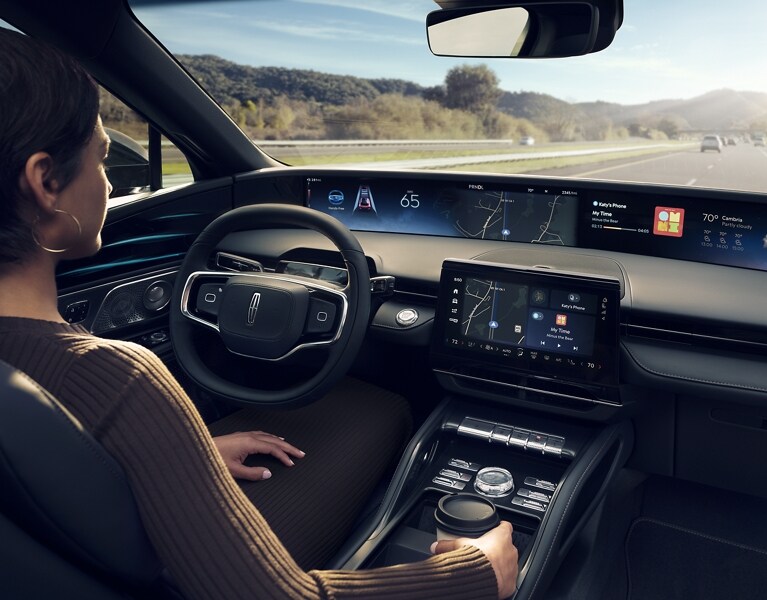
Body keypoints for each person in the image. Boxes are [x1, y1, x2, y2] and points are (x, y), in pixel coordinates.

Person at [0, 28, 518, 599]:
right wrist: (474, 573)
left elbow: (44, 472)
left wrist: (176, 455)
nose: (108, 178)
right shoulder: (116, 378)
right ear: (46, 182)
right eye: (102, 159)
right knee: (383, 406)